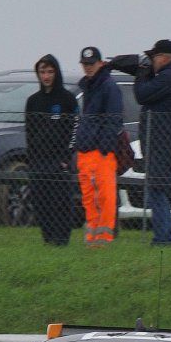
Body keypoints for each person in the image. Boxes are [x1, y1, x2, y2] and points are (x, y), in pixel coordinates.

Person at [132, 38, 171, 247]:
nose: (151, 61)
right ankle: (164, 234)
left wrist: (142, 72)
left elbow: (141, 95)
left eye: (153, 57)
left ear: (163, 57)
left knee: (157, 188)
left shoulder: (169, 77)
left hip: (161, 140)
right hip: (163, 138)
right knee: (157, 187)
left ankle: (163, 237)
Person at [24, 54, 80, 246]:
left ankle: (62, 241)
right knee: (41, 204)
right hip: (39, 162)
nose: (46, 76)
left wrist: (67, 157)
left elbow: (74, 129)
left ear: (56, 72)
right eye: (42, 72)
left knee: (60, 204)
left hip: (59, 162)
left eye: (50, 71)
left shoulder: (67, 99)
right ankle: (47, 240)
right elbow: (29, 133)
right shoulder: (33, 101)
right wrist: (31, 160)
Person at [72, 46, 124, 248]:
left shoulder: (109, 86)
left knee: (104, 196)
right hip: (86, 151)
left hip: (100, 152)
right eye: (85, 64)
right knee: (88, 198)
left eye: (92, 64)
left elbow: (114, 120)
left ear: (100, 63)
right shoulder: (88, 86)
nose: (88, 68)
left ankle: (104, 239)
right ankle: (92, 238)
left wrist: (104, 148)